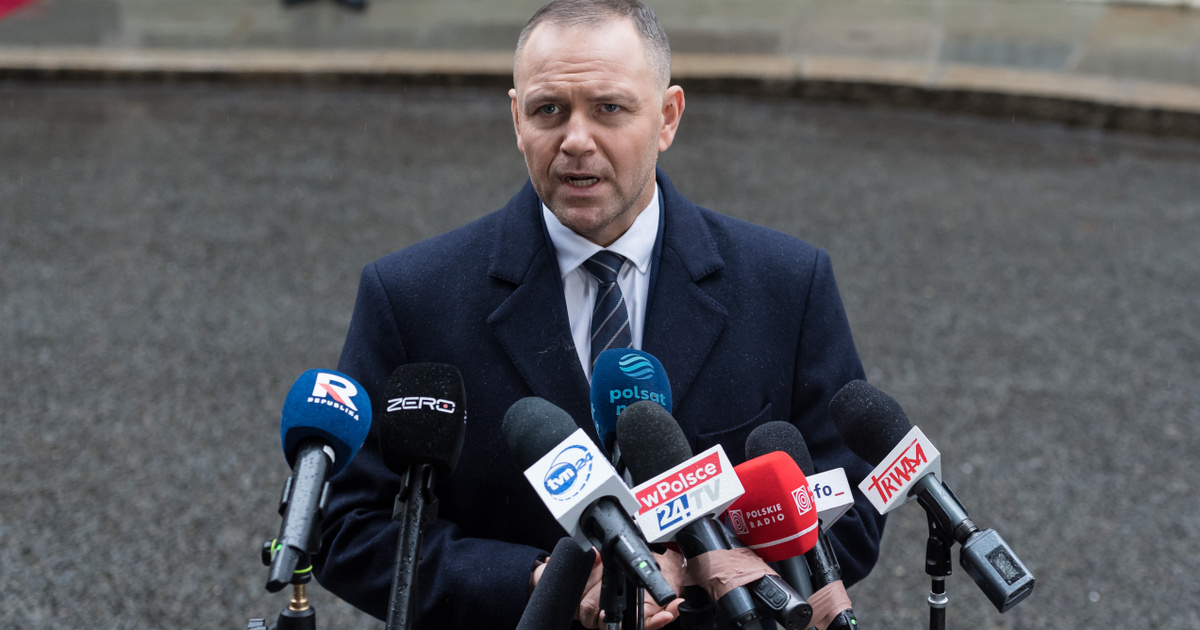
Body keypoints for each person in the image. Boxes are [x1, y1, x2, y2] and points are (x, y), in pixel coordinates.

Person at [313, 1, 885, 628]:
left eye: (609, 108)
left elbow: (852, 511)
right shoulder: (411, 296)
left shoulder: (788, 285)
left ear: (667, 117)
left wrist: (702, 573)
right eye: (548, 110)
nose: (576, 140)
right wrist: (544, 583)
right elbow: (349, 528)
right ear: (516, 119)